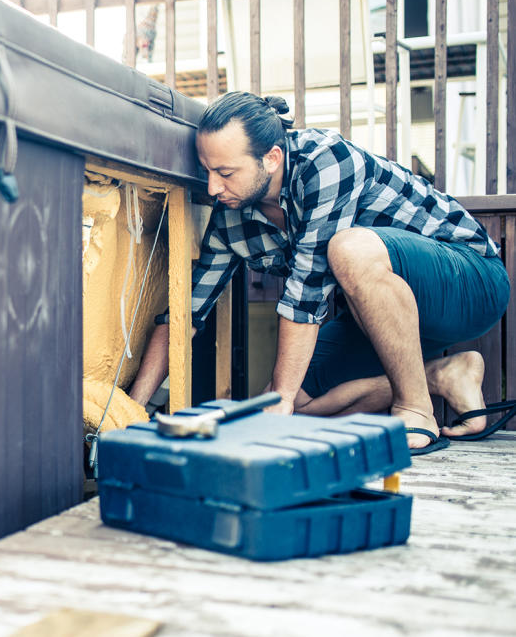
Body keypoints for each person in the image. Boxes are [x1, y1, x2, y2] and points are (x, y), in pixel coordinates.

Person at [127, 91, 510, 453]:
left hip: (470, 280)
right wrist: (133, 411)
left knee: (347, 249)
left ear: (272, 158)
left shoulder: (326, 161)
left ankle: (415, 409)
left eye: (225, 172)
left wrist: (282, 399)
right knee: (301, 401)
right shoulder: (231, 219)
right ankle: (440, 375)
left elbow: (305, 297)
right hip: (387, 321)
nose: (213, 187)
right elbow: (184, 315)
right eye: (208, 171)